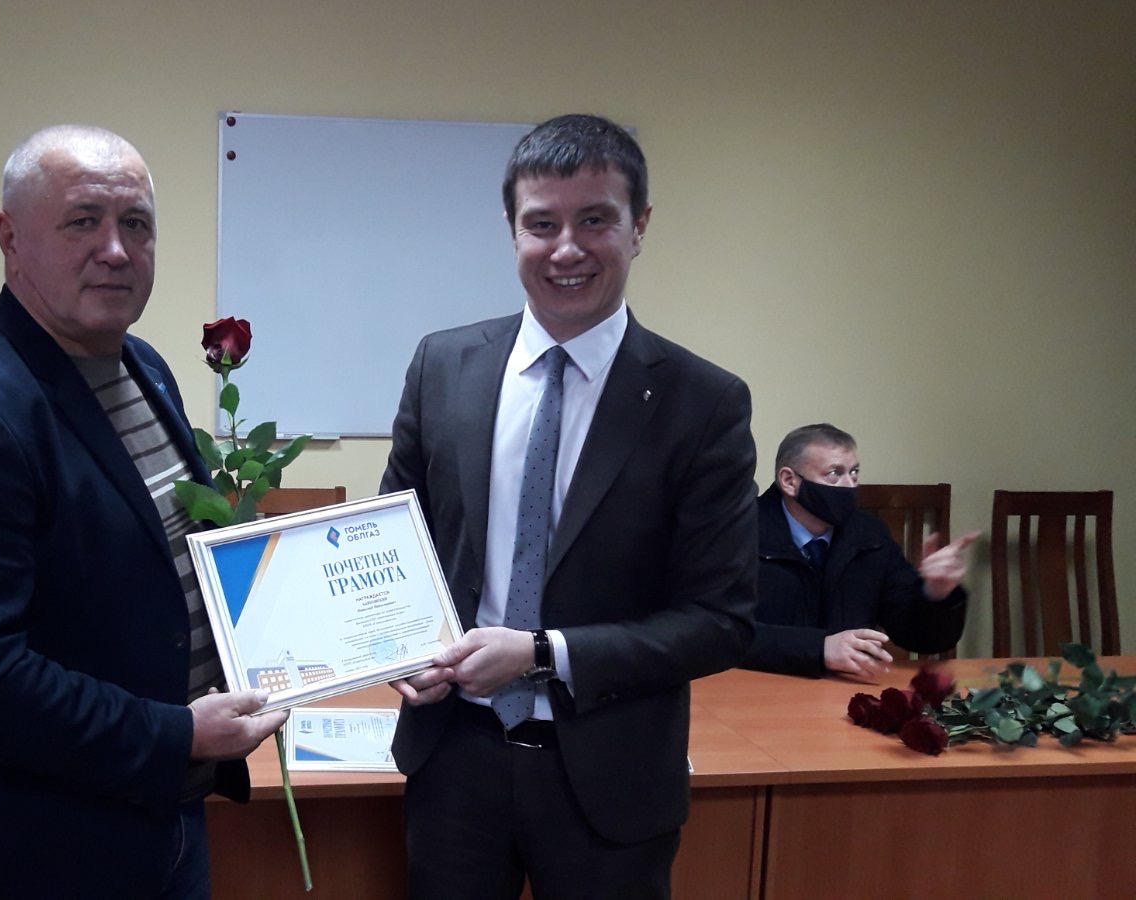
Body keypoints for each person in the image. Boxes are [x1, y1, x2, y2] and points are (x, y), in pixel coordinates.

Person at [0, 125, 285, 899]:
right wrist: (176, 734)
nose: (117, 250)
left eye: (136, 224)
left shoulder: (143, 366)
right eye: (83, 221)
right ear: (10, 239)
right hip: (38, 856)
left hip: (162, 826)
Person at [380, 114, 758, 900]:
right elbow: (397, 547)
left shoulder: (703, 404)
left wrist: (542, 654)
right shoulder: (443, 367)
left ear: (639, 226)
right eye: (542, 223)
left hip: (611, 778)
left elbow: (720, 620)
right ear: (512, 230)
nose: (566, 249)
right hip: (454, 762)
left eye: (595, 220)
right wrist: (400, 647)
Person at [742, 423, 977, 678]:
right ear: (789, 481)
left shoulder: (868, 535)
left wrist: (936, 595)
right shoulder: (739, 535)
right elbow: (723, 632)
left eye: (854, 473)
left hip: (844, 689)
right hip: (756, 685)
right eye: (834, 473)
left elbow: (919, 637)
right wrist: (818, 648)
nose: (849, 485)